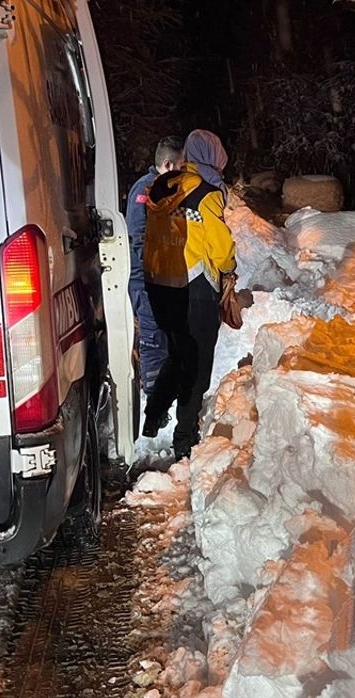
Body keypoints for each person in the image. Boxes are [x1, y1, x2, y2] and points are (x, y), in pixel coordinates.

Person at [141, 129, 237, 460]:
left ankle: (153, 415)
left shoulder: (166, 185)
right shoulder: (207, 191)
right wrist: (229, 266)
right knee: (196, 364)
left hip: (163, 284)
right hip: (195, 285)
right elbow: (220, 245)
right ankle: (185, 438)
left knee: (178, 354)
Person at [127, 136, 184, 390]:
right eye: (182, 165)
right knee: (152, 339)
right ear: (169, 164)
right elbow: (138, 239)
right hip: (147, 281)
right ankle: (153, 397)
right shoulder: (144, 192)